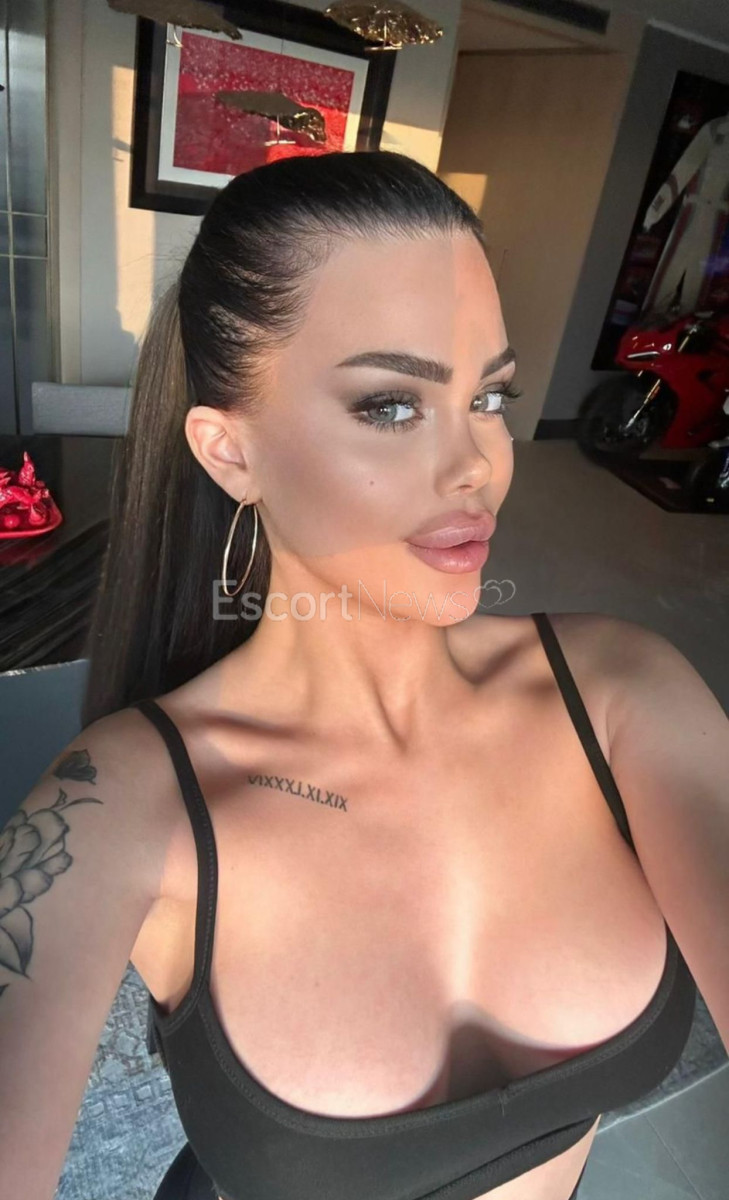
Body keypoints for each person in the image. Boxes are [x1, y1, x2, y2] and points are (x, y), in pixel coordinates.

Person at [1, 151, 726, 1200]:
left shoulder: (621, 692)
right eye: (391, 406)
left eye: (490, 396)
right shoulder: (122, 806)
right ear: (230, 453)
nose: (477, 464)